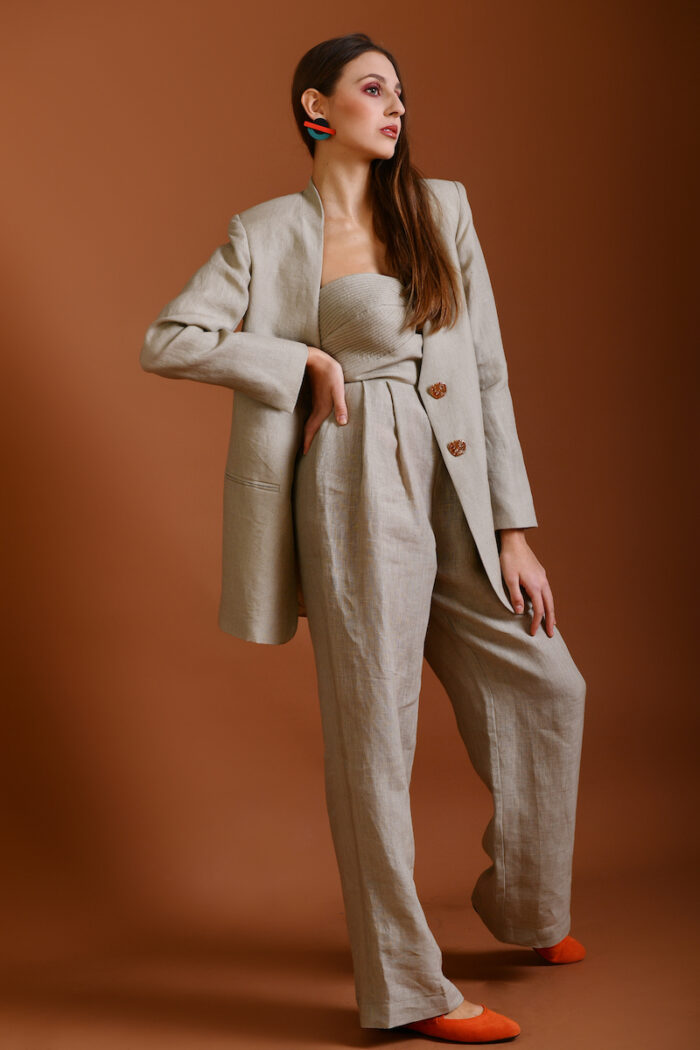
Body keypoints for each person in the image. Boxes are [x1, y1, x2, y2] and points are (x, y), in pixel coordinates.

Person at [140, 32, 587, 1046]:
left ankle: (525, 907)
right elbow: (168, 340)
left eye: (399, 92)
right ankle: (409, 989)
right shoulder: (265, 234)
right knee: (375, 737)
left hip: (455, 476)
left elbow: (487, 372)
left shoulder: (441, 210)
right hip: (350, 478)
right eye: (372, 89)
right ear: (315, 107)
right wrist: (296, 358)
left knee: (549, 683)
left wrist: (514, 529)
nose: (395, 107)